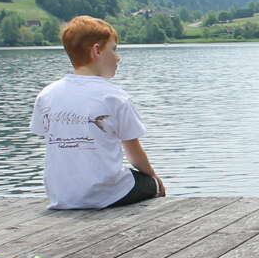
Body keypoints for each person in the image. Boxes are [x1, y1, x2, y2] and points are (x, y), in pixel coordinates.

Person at [31, 15, 166, 209]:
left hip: (61, 196)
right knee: (149, 183)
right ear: (97, 51)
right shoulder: (114, 97)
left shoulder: (47, 95)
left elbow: (46, 136)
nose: (118, 57)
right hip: (106, 195)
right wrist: (153, 177)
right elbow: (134, 154)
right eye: (113, 49)